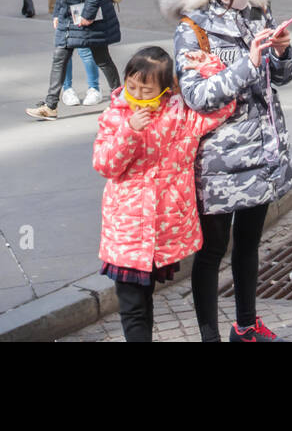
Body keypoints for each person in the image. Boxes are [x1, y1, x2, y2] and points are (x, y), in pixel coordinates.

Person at [161, 0, 292, 341]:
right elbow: (198, 96)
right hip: (219, 159)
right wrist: (249, 63)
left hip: (262, 147)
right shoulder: (194, 27)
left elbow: (281, 78)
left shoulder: (258, 10)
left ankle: (247, 325)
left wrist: (282, 54)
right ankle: (210, 336)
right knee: (212, 249)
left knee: (250, 242)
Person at [93, 45, 255, 342]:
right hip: (127, 229)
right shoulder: (116, 116)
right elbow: (104, 165)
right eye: (132, 87)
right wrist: (129, 131)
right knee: (132, 306)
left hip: (163, 230)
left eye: (146, 89)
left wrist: (209, 67)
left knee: (145, 299)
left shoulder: (182, 115)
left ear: (166, 90)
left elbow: (223, 105)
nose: (137, 96)